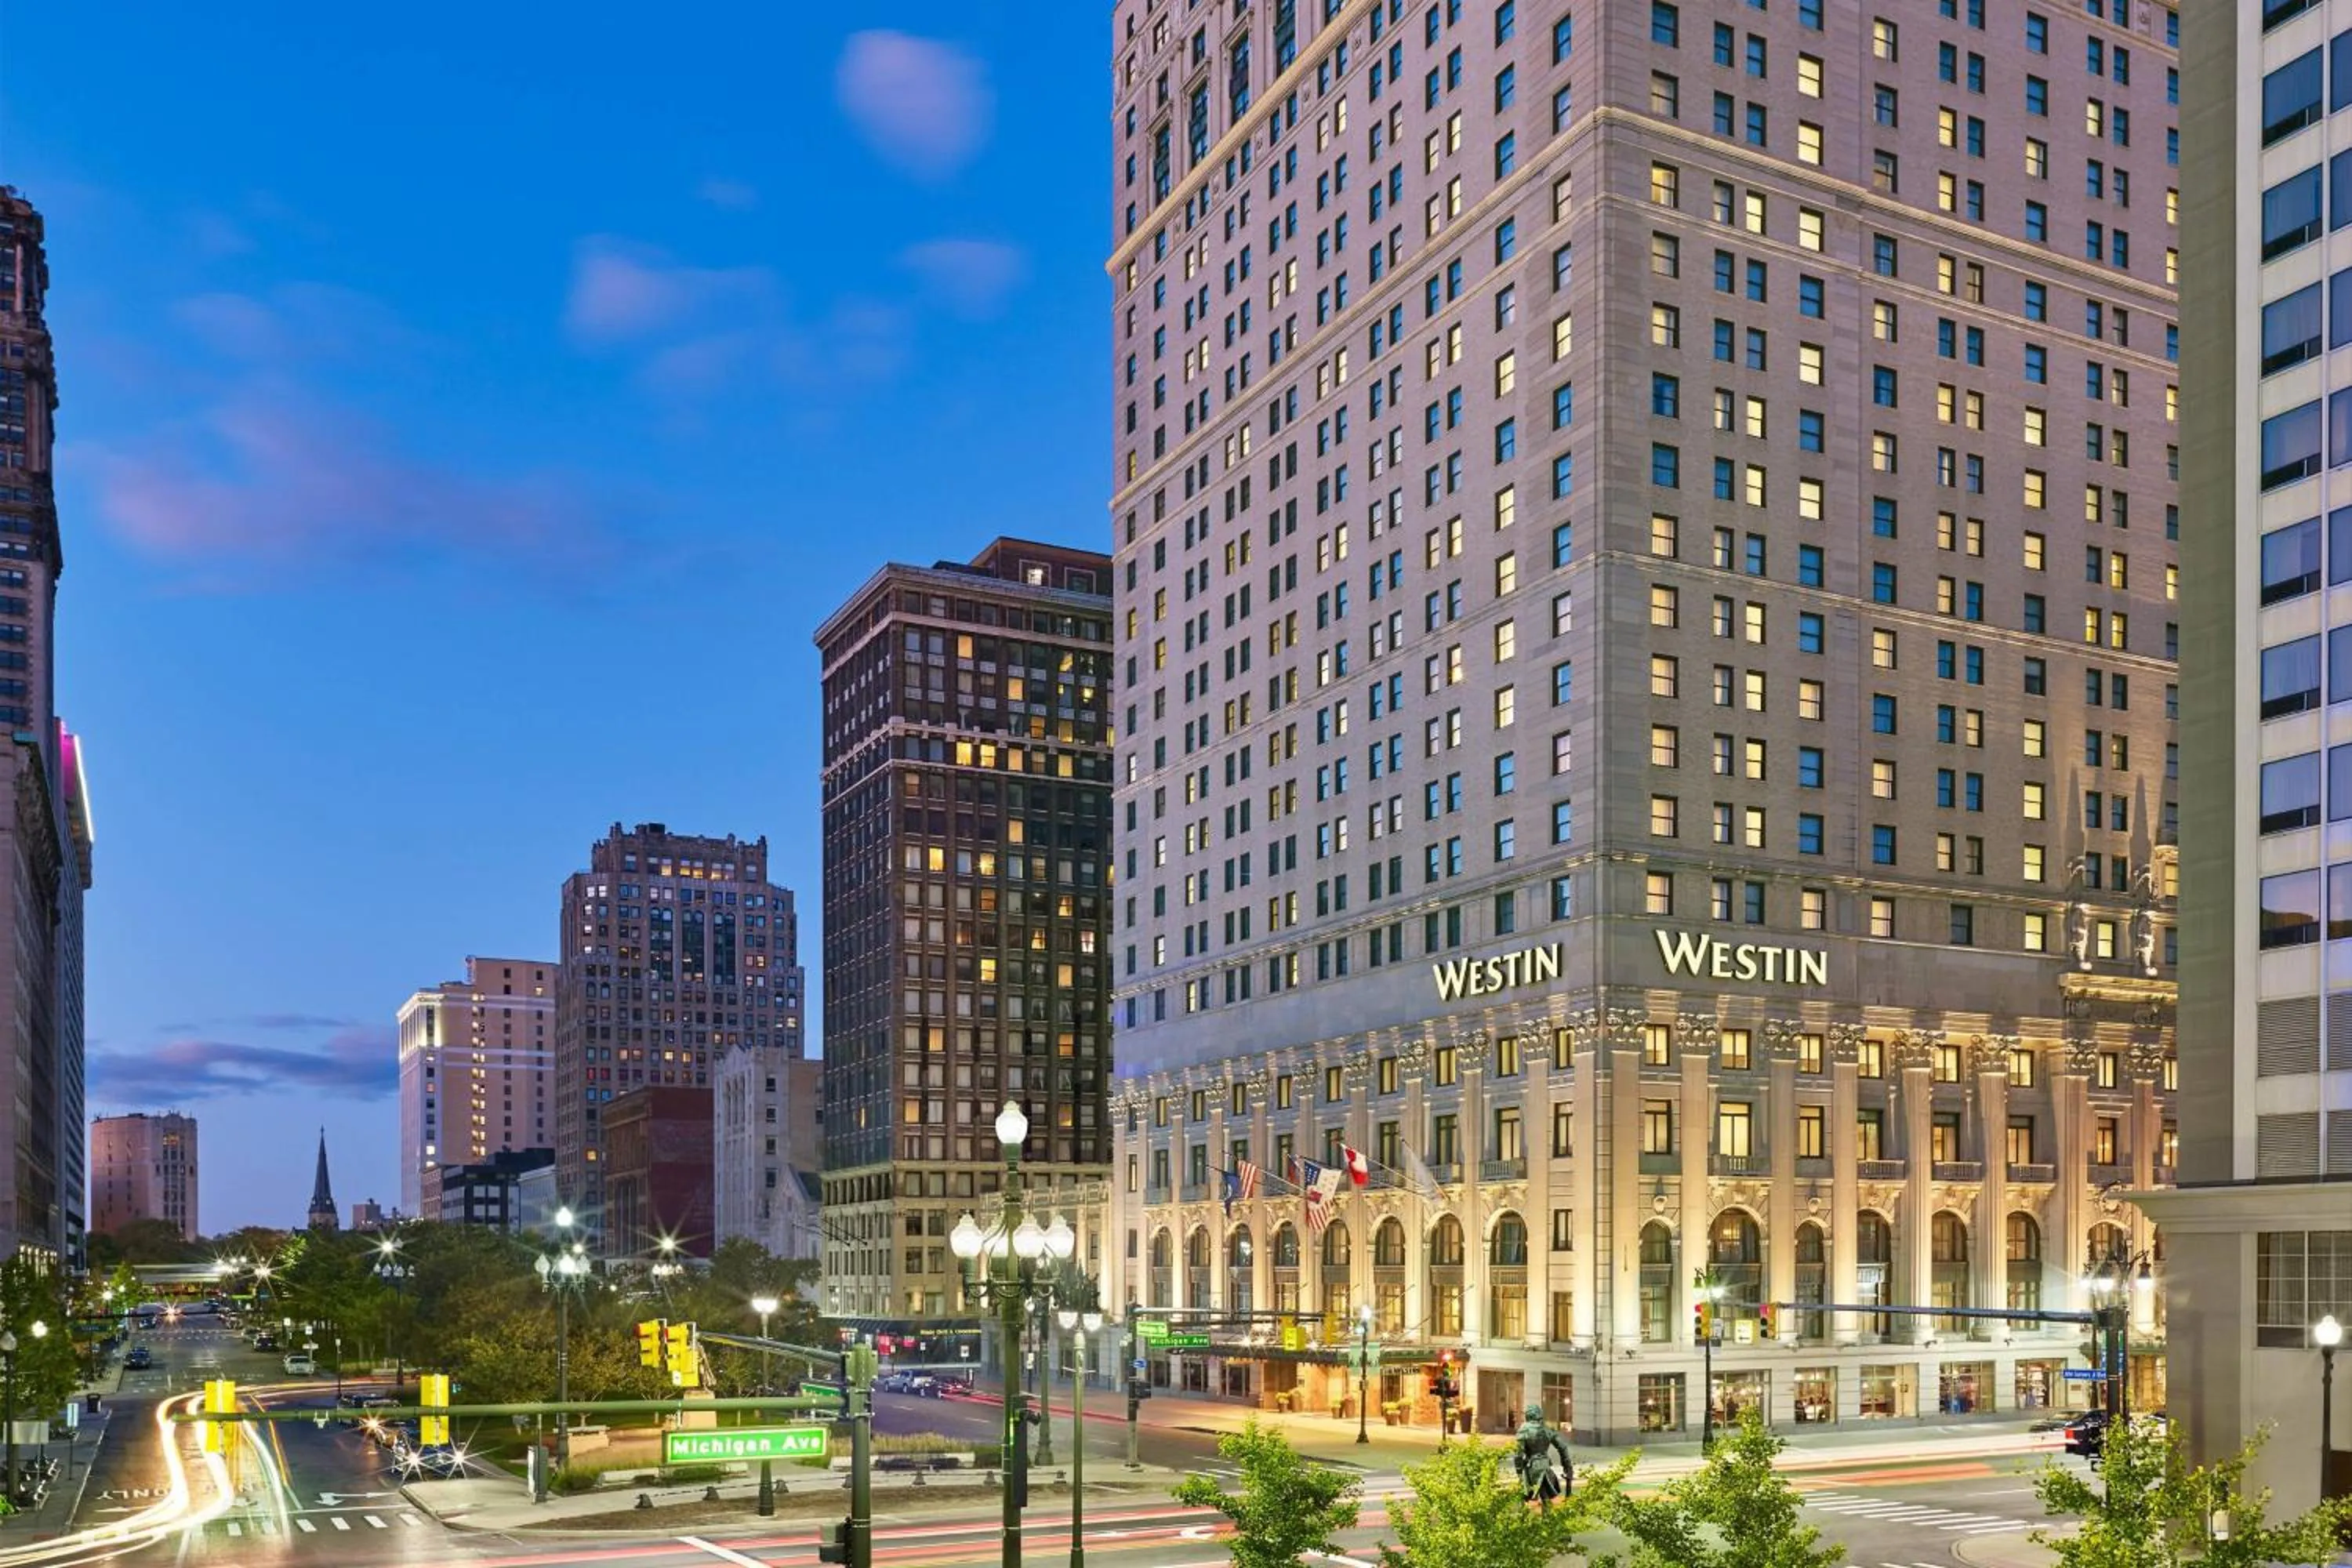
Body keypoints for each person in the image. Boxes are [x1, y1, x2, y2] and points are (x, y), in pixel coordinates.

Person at [1512, 1403, 1574, 1505]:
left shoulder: (1524, 1430)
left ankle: (1526, 1514)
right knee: (1547, 1498)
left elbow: (1518, 1454)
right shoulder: (1547, 1429)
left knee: (1528, 1498)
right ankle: (1547, 1514)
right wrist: (1568, 1467)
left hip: (1531, 1469)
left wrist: (1519, 1471)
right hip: (1546, 1467)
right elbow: (1563, 1447)